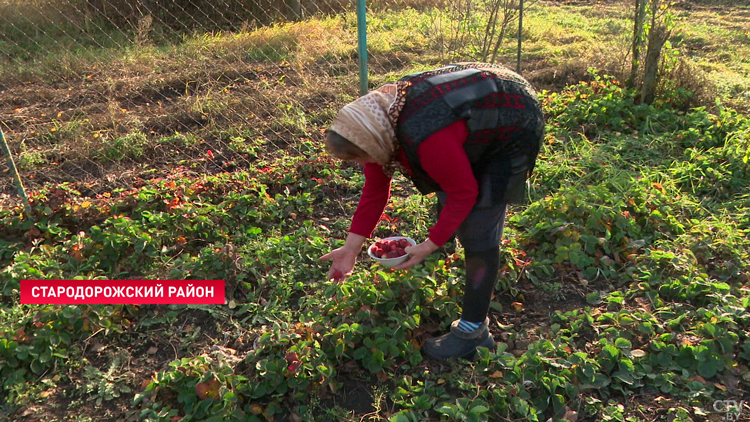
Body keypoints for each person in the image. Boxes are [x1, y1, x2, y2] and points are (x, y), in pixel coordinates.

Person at [319, 62, 545, 361]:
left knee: (479, 228)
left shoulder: (426, 137)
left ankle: (473, 333)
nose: (363, 165)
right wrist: (351, 248)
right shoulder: (377, 121)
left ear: (370, 142)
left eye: (362, 158)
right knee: (448, 176)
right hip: (468, 115)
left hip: (512, 119)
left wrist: (430, 243)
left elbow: (464, 192)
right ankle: (447, 248)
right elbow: (375, 188)